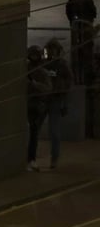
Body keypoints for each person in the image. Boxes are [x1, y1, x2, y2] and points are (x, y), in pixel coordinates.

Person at [43, 38, 73, 170]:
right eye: (49, 49)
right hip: (43, 100)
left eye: (53, 49)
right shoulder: (43, 64)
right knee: (35, 128)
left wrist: (64, 102)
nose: (51, 52)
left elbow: (69, 83)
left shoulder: (62, 65)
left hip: (55, 100)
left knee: (54, 131)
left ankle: (54, 158)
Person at [26, 44, 52, 172]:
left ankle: (31, 159)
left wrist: (34, 84)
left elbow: (47, 88)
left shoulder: (42, 72)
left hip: (37, 106)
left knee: (34, 134)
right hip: (26, 104)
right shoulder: (25, 69)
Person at [66, 0, 97, 84]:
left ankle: (82, 74)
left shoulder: (73, 1)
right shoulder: (86, 0)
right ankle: (81, 74)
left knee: (82, 49)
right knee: (83, 49)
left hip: (81, 26)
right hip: (81, 26)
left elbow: (93, 13)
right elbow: (94, 13)